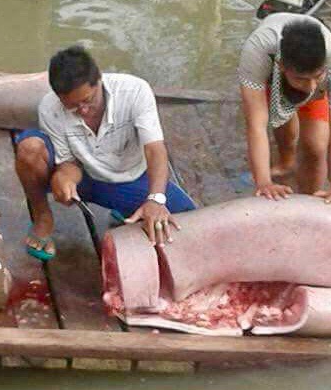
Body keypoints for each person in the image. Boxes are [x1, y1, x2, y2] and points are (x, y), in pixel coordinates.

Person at [14, 45, 196, 261]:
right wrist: (64, 179)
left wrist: (156, 199)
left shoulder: (135, 91)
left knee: (188, 219)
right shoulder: (49, 108)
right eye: (72, 106)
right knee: (29, 148)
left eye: (88, 100)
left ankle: (127, 206)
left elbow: (155, 150)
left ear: (99, 79)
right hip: (85, 176)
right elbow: (68, 163)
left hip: (127, 178)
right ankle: (42, 217)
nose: (82, 110)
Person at [238, 12, 331, 213]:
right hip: (274, 74)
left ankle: (311, 199)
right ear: (282, 67)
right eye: (302, 79)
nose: (309, 86)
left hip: (317, 78)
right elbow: (256, 124)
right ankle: (286, 163)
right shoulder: (257, 52)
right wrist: (263, 182)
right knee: (283, 124)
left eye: (315, 76)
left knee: (316, 146)